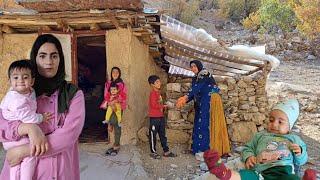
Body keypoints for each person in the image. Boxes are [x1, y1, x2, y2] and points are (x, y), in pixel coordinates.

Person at [0, 34, 85, 180]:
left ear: (60, 60)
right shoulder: (21, 91)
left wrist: (22, 151)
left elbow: (68, 136)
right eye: (42, 56)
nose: (49, 62)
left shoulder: (73, 94)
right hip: (22, 173)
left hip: (60, 173)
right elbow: (2, 125)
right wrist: (29, 128)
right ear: (35, 59)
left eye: (54, 56)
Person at [203, 99, 308, 180]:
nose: (274, 124)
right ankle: (223, 173)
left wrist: (300, 152)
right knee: (245, 175)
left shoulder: (294, 139)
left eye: (280, 122)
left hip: (284, 172)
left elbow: (301, 161)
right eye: (271, 120)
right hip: (261, 173)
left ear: (290, 126)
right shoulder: (261, 135)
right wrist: (249, 157)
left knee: (293, 179)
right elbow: (248, 148)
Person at [0, 60, 52, 180]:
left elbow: (32, 98)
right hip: (13, 137)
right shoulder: (16, 99)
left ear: (32, 81)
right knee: (31, 155)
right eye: (16, 77)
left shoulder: (29, 91)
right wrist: (42, 118)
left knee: (16, 162)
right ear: (10, 81)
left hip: (16, 136)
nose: (20, 81)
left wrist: (41, 98)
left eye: (25, 77)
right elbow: (27, 117)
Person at [176, 60, 230, 156]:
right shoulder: (196, 78)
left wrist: (185, 97)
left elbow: (197, 88)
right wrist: (185, 100)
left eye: (194, 66)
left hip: (210, 101)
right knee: (200, 123)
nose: (193, 68)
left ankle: (209, 150)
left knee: (207, 124)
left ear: (199, 66)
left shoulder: (204, 73)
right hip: (202, 102)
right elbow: (194, 92)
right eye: (191, 67)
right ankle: (199, 149)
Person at [148, 75, 176, 159]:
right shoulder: (153, 94)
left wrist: (163, 107)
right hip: (154, 118)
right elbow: (154, 105)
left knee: (162, 134)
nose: (159, 83)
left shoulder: (158, 93)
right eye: (157, 82)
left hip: (160, 117)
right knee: (153, 135)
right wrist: (164, 106)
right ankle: (153, 152)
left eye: (159, 81)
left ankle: (166, 151)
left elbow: (159, 104)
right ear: (152, 84)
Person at [101, 67, 127, 156]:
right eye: (113, 72)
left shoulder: (122, 84)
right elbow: (106, 95)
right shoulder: (108, 84)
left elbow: (123, 95)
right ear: (111, 74)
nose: (115, 73)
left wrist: (115, 102)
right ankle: (115, 144)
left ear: (119, 73)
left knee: (116, 124)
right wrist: (110, 103)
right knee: (112, 121)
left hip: (119, 106)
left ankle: (116, 145)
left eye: (117, 72)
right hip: (110, 106)